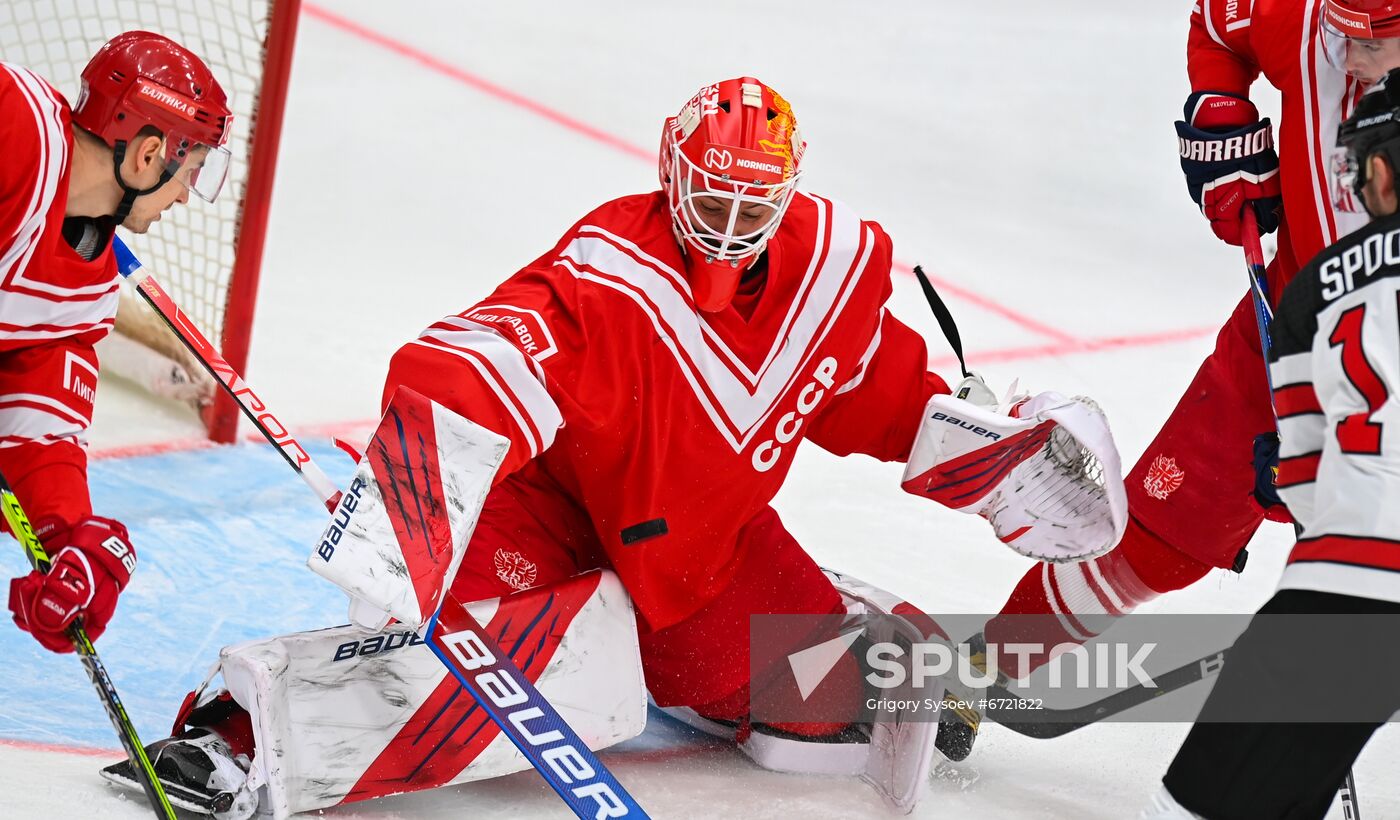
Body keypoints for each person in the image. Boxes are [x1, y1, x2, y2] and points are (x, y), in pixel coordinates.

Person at [107, 77, 1125, 818]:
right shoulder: (607, 276)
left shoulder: (826, 277)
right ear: (669, 171)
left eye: (749, 206)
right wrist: (415, 493)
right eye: (708, 198)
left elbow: (885, 396)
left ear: (787, 192)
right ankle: (240, 738)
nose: (725, 227)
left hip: (696, 551)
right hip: (542, 512)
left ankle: (876, 625)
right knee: (498, 674)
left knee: (824, 711)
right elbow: (472, 360)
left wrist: (1001, 455)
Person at [957, 0, 1400, 751]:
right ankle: (985, 665)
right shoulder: (1300, 16)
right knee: (1164, 527)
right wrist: (1223, 110)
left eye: (1375, 40)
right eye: (1340, 30)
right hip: (1280, 328)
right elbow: (1219, 22)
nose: (1346, 53)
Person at [1142, 66, 1400, 820]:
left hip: (1352, 590)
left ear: (1377, 172)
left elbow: (1307, 486)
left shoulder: (1320, 288)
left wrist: (1274, 478)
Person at [1, 33, 232, 653]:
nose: (187, 194)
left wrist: (69, 538)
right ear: (148, 155)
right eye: (193, 170)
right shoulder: (13, 125)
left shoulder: (83, 292)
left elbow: (39, 435)